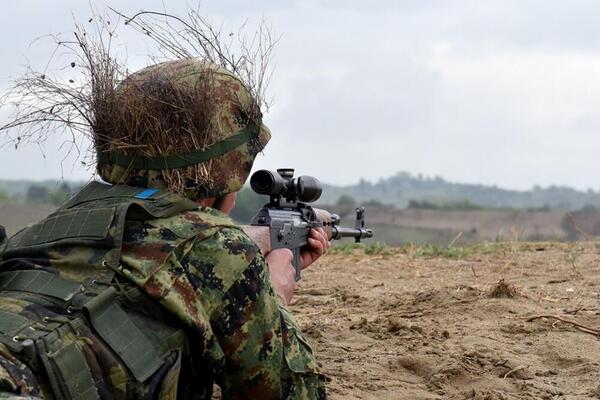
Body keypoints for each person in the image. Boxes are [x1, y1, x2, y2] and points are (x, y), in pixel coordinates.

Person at [0, 59, 329, 399]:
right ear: (228, 172)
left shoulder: (49, 226)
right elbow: (290, 392)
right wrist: (275, 295)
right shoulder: (217, 248)